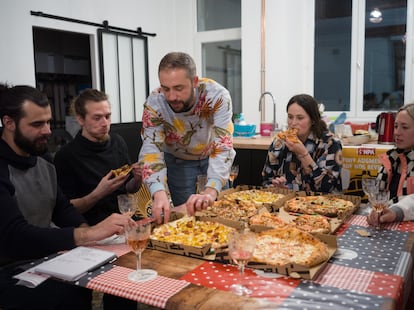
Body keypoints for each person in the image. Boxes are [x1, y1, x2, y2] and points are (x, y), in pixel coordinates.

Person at [0, 84, 133, 309]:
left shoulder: (44, 162)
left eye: (48, 122)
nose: (48, 131)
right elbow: (15, 235)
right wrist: (88, 233)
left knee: (117, 271)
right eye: (37, 124)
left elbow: (62, 210)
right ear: (9, 123)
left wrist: (97, 238)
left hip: (47, 258)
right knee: (61, 295)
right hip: (9, 267)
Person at [138, 52, 236, 223]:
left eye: (179, 88)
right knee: (187, 219)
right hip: (178, 162)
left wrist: (211, 191)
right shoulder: (155, 103)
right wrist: (158, 192)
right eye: (165, 88)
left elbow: (223, 145)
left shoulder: (217, 96)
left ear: (195, 82)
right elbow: (151, 149)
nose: (171, 97)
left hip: (211, 158)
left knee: (220, 216)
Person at [54, 89, 142, 226]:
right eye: (97, 118)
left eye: (107, 116)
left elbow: (128, 188)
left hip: (125, 219)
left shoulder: (117, 142)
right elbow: (65, 209)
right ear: (80, 119)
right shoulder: (66, 156)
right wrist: (99, 192)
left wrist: (137, 179)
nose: (105, 123)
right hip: (93, 226)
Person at [262, 94, 343, 193]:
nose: (293, 123)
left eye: (300, 118)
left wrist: (304, 154)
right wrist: (277, 188)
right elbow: (266, 181)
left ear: (313, 120)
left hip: (324, 204)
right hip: (287, 203)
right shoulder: (279, 143)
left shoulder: (330, 143)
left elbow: (327, 187)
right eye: (290, 117)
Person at [367, 103, 414, 226]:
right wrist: (374, 212)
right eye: (396, 126)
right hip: (389, 228)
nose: (397, 133)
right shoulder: (391, 158)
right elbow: (376, 196)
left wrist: (395, 212)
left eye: (404, 127)